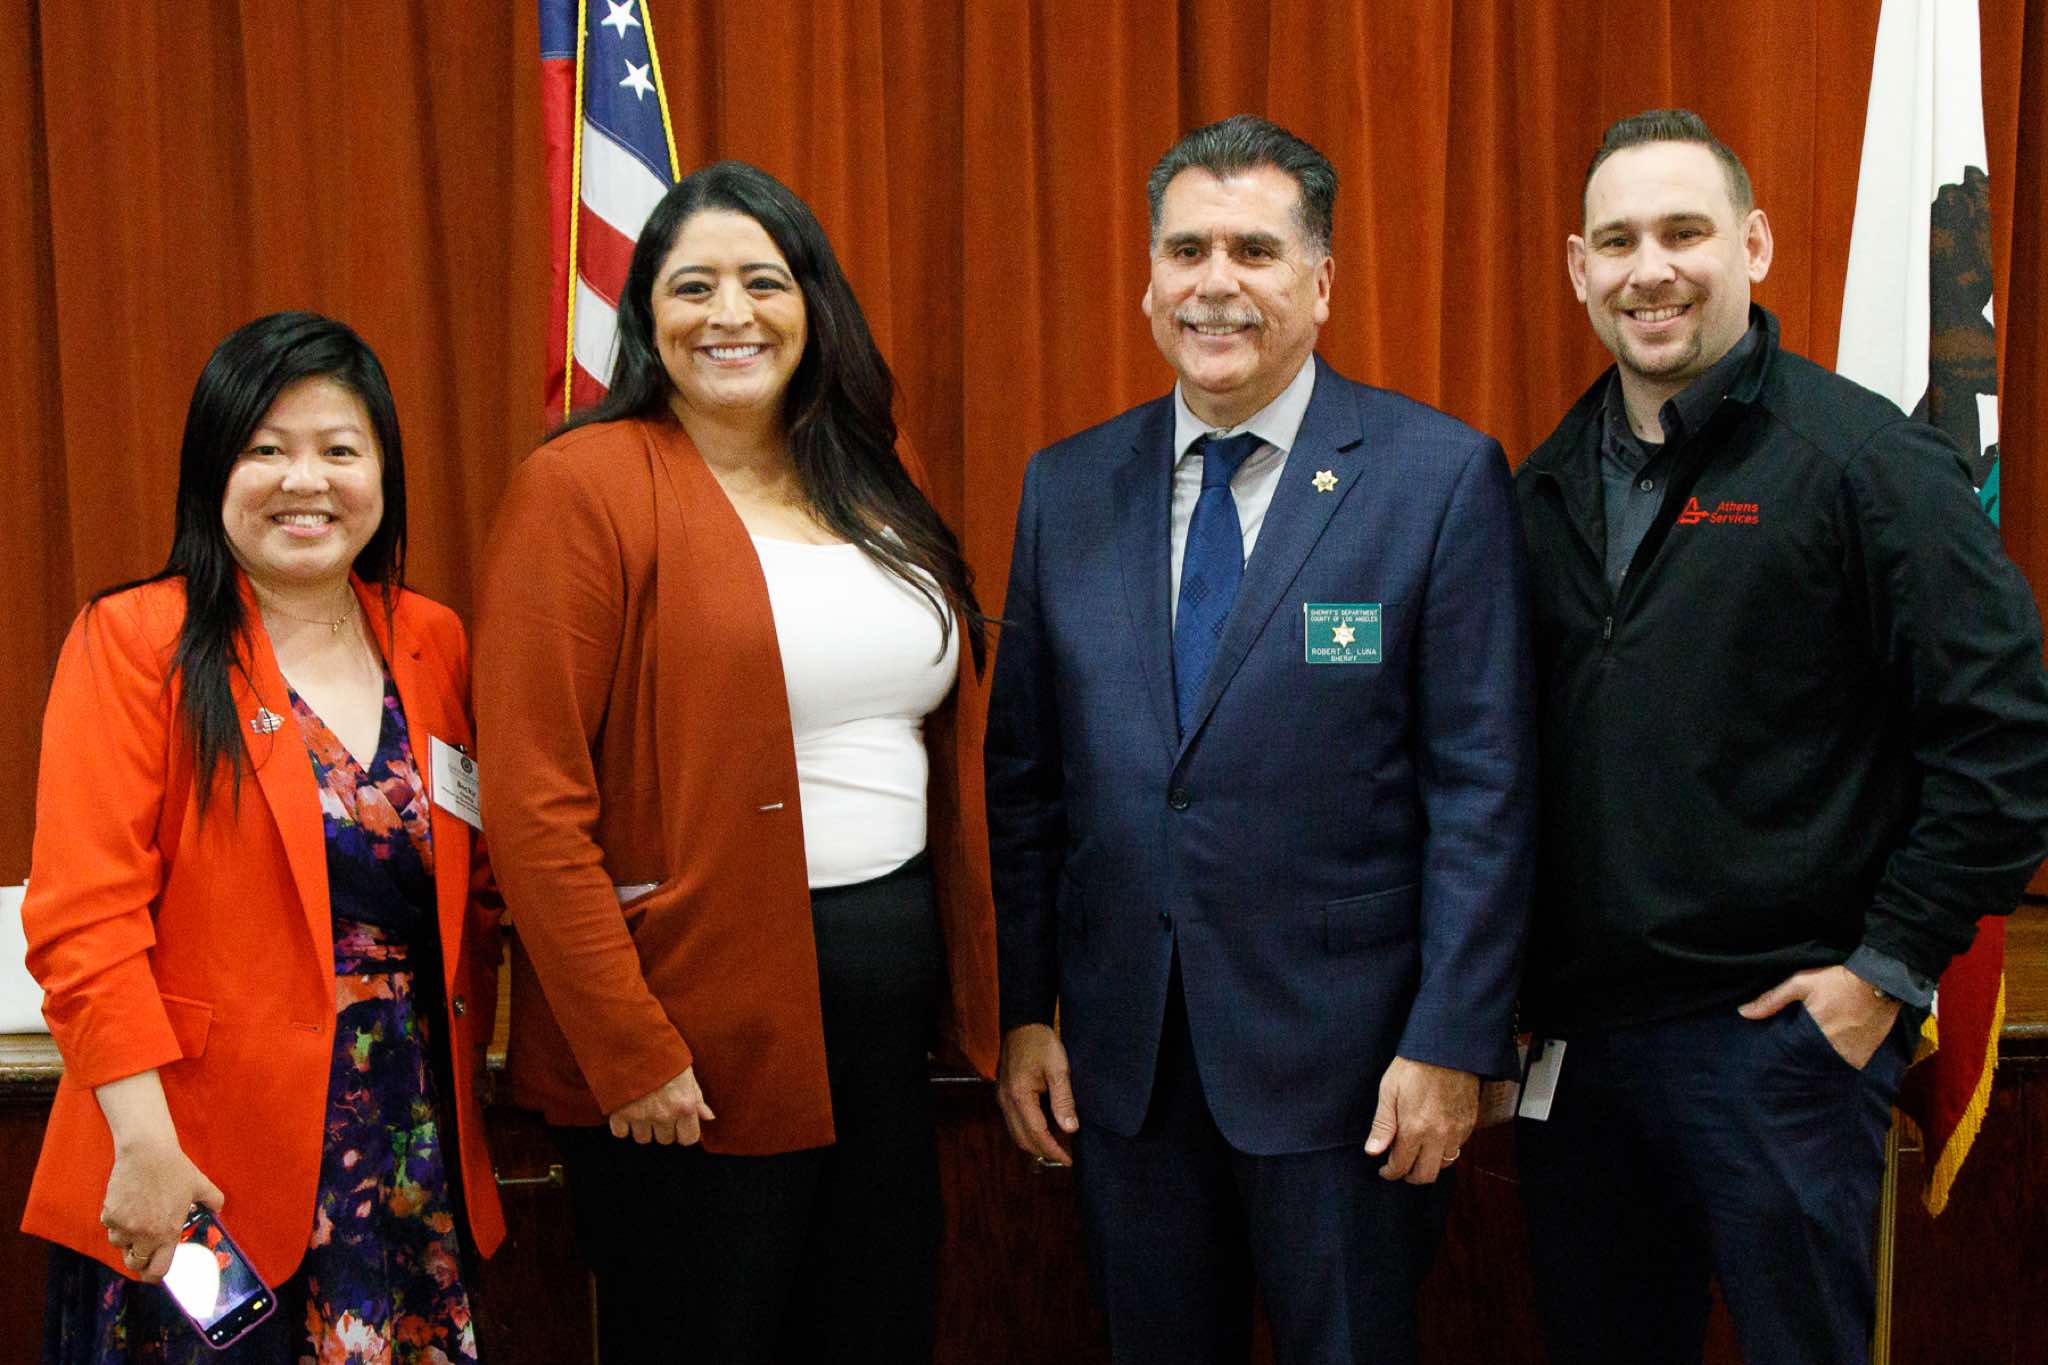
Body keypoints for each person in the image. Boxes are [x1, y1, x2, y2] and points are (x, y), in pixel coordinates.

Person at [985, 114, 1534, 1365]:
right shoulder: (1066, 486)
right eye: (1185, 251)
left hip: (1349, 1069)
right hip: (1124, 1064)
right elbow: (1025, 781)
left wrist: (1451, 1040)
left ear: (1320, 281)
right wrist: (1024, 1010)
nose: (1213, 284)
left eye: (1253, 251)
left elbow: (1484, 790)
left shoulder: (1434, 477)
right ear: (1148, 280)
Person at [1514, 108, 2048, 1365]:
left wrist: (1883, 975)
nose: (1649, 269)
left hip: (1777, 1048)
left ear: (1751, 245)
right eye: (1617, 240)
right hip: (1581, 1059)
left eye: (1683, 232)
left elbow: (2004, 739)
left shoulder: (1866, 461)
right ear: (1578, 268)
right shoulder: (1538, 486)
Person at [473, 160, 997, 1364]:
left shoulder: (872, 469)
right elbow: (532, 803)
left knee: (874, 1331)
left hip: (883, 1017)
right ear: (645, 315)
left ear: (812, 304)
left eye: (763, 281)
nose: (729, 313)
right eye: (692, 285)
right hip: (690, 1029)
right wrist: (628, 1047)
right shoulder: (581, 487)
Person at [20, 311, 506, 1361]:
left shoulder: (431, 639)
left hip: (407, 1141)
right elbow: (83, 925)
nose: (306, 481)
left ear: (383, 472)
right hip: (194, 1159)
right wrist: (144, 1145)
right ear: (214, 469)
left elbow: (476, 886)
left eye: (340, 450)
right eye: (267, 449)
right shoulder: (136, 640)